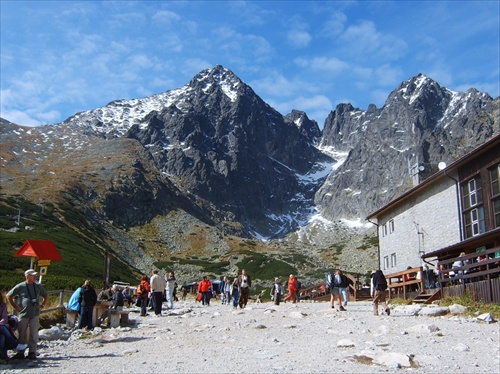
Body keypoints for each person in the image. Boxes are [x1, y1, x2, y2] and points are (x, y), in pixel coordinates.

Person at [7, 269, 48, 360]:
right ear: (27, 276)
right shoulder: (20, 286)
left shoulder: (37, 286)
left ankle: (32, 352)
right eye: (32, 275)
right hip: (23, 313)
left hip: (35, 313)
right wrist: (16, 307)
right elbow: (9, 295)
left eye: (34, 275)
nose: (34, 277)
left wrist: (43, 305)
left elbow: (45, 295)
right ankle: (20, 352)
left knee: (33, 333)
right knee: (22, 333)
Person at [1, 293, 20, 364]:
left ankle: (3, 357)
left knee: (2, 335)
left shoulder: (2, 305)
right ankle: (14, 343)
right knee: (4, 328)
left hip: (1, 325)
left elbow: (4, 318)